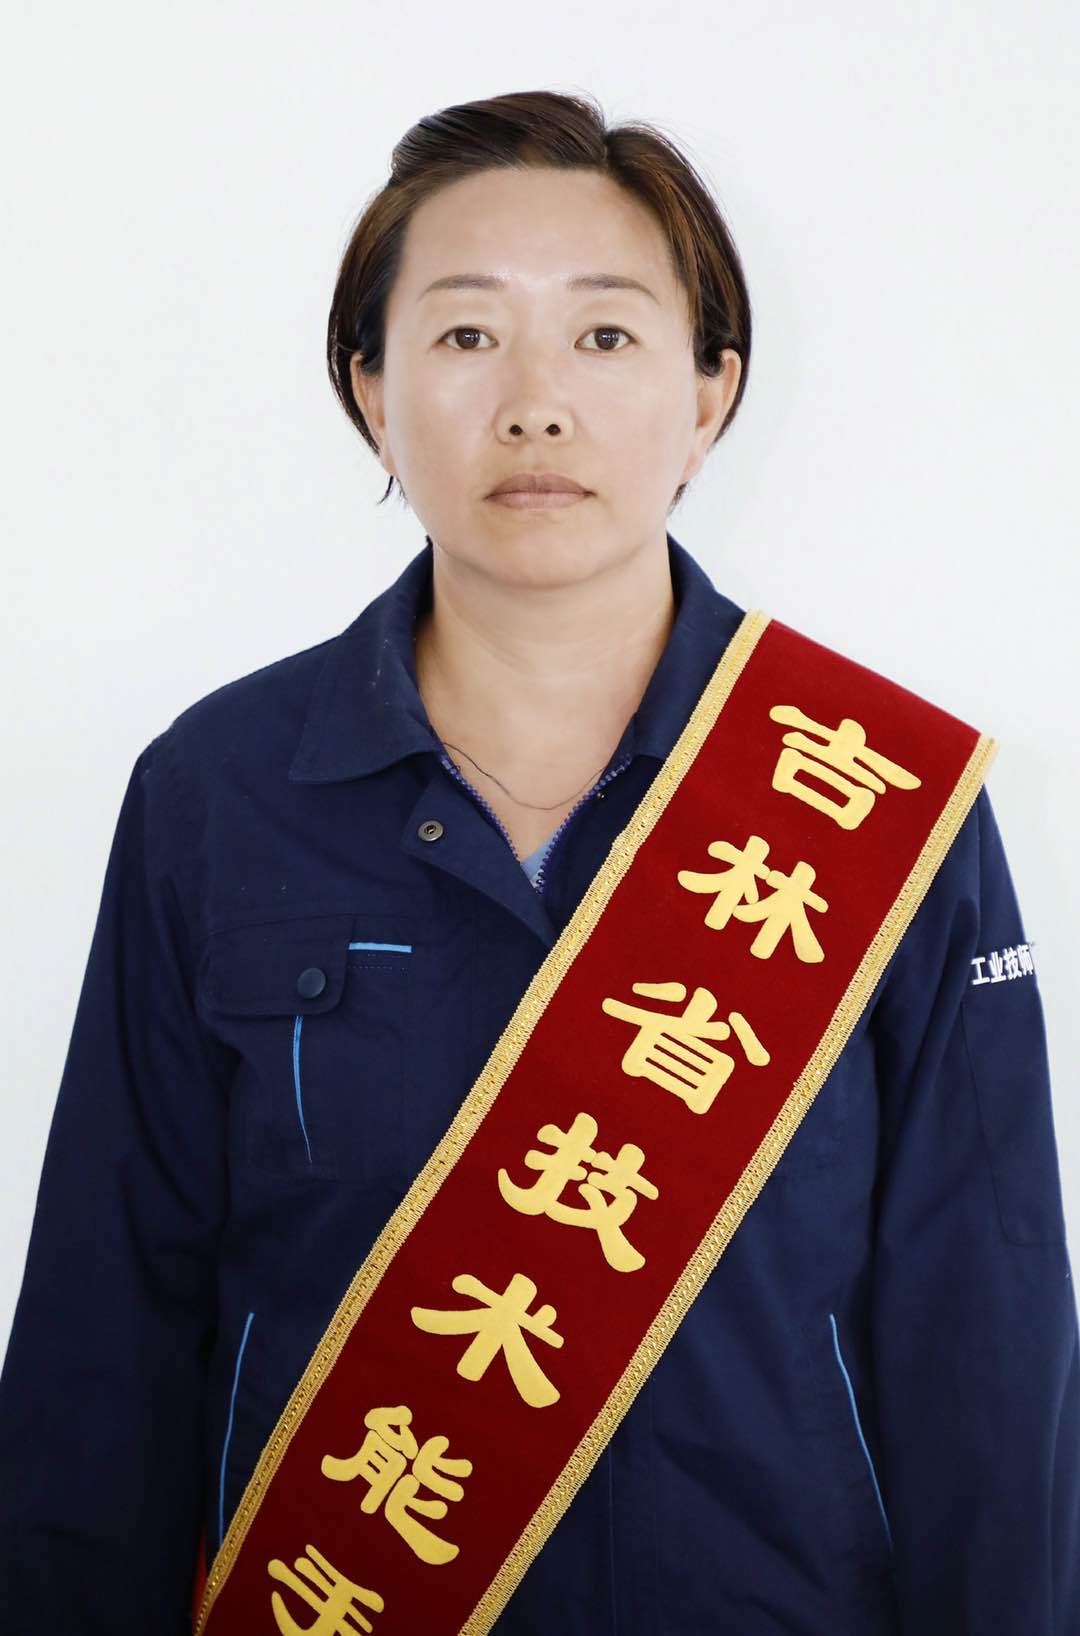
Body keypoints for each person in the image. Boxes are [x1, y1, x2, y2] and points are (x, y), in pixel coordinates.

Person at [1, 87, 1077, 1636]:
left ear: (710, 394)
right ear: (372, 390)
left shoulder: (883, 804)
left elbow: (988, 1333)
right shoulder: (216, 794)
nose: (535, 403)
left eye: (605, 334)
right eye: (464, 335)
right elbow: (110, 1326)